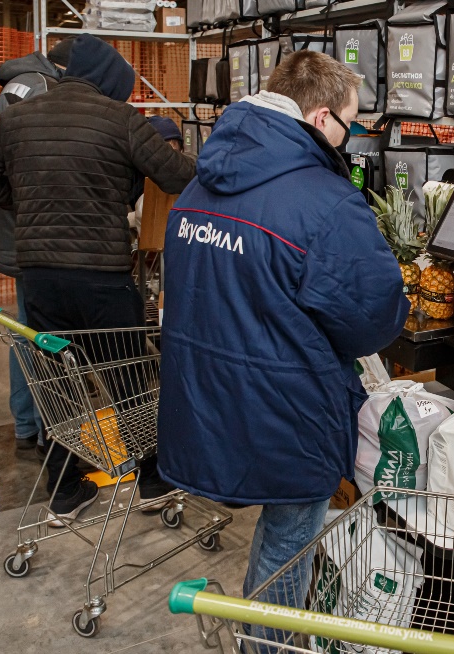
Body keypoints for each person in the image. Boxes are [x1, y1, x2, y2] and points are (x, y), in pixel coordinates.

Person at [156, 50, 409, 614]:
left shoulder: (203, 182)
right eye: (351, 123)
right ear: (321, 119)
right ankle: (267, 645)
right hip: (285, 411)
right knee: (288, 543)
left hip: (204, 395)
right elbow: (374, 319)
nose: (351, 138)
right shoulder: (326, 202)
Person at [0, 34, 196, 524]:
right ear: (112, 84)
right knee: (126, 379)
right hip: (102, 277)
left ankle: (65, 491)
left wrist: (27, 195)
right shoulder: (121, 120)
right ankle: (151, 482)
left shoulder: (18, 119)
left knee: (57, 383)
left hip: (40, 275)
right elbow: (178, 177)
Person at [0, 45, 70, 459]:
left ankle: (26, 424)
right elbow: (4, 164)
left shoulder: (21, 85)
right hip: (31, 234)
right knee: (38, 332)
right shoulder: (39, 88)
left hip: (20, 230)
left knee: (25, 330)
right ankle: (44, 431)